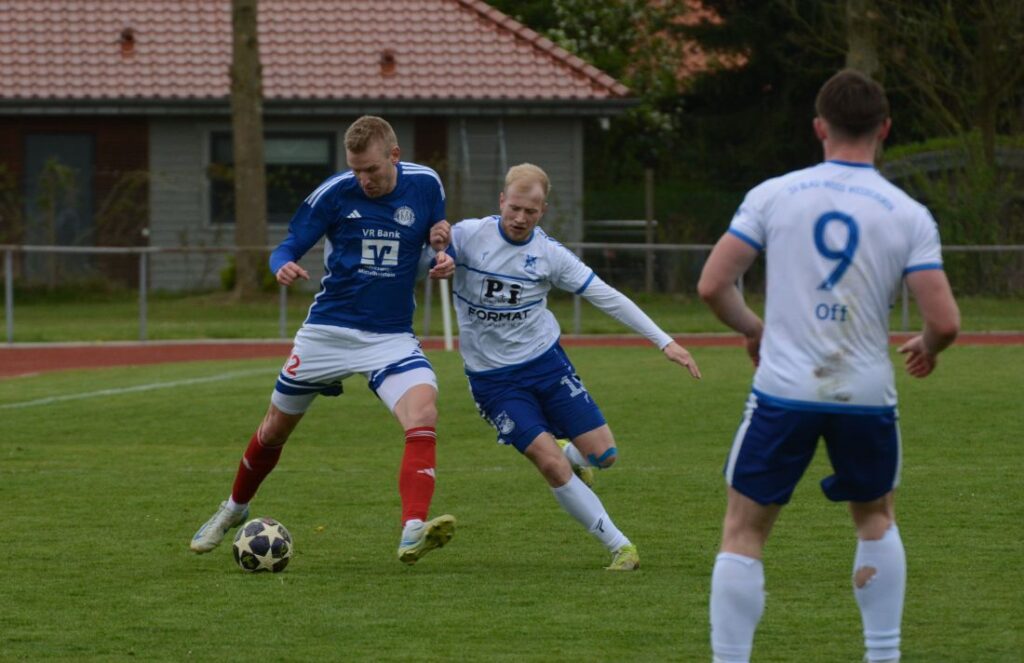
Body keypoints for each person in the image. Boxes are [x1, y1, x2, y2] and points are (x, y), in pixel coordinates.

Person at [697, 70, 960, 663]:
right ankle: (883, 654)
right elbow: (945, 322)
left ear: (819, 127)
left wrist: (754, 329)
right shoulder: (908, 213)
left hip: (784, 390)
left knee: (743, 530)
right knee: (874, 518)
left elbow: (714, 284)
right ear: (884, 129)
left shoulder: (774, 194)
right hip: (866, 394)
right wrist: (927, 345)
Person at [190, 115, 457, 565]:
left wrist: (441, 250)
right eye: (355, 169)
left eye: (371, 169)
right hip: (328, 330)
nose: (363, 179)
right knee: (275, 428)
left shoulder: (426, 183)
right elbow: (288, 245)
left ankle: (413, 529)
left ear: (394, 156)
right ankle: (234, 508)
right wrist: (282, 265)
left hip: (390, 336)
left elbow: (437, 230)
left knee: (423, 410)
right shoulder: (334, 194)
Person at [440, 163, 702, 570]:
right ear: (501, 201)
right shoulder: (467, 236)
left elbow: (606, 295)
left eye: (531, 211)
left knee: (604, 455)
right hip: (494, 381)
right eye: (515, 208)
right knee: (549, 463)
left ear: (542, 210)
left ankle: (573, 456)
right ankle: (620, 546)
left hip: (546, 364)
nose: (520, 218)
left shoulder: (548, 254)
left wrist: (664, 341)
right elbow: (424, 255)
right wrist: (436, 260)